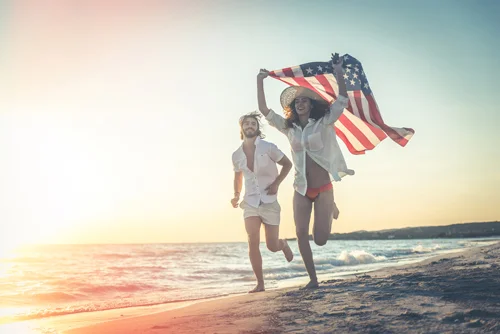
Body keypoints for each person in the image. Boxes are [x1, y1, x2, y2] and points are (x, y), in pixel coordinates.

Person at [256, 57, 354, 289]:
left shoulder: (325, 122)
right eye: (296, 101)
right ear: (293, 107)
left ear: (311, 104)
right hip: (300, 188)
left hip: (323, 188)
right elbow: (264, 110)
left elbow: (342, 100)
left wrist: (338, 71)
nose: (300, 103)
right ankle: (313, 279)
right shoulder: (288, 127)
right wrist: (259, 80)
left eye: (304, 100)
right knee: (300, 235)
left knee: (320, 240)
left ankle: (330, 207)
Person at [231, 112, 294, 293]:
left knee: (271, 246)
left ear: (257, 128)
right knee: (252, 241)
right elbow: (237, 177)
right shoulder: (236, 155)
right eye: (246, 124)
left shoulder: (268, 147)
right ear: (242, 129)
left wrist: (276, 183)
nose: (250, 126)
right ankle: (260, 283)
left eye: (253, 123)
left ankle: (282, 244)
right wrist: (236, 195)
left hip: (270, 201)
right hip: (250, 201)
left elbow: (287, 164)